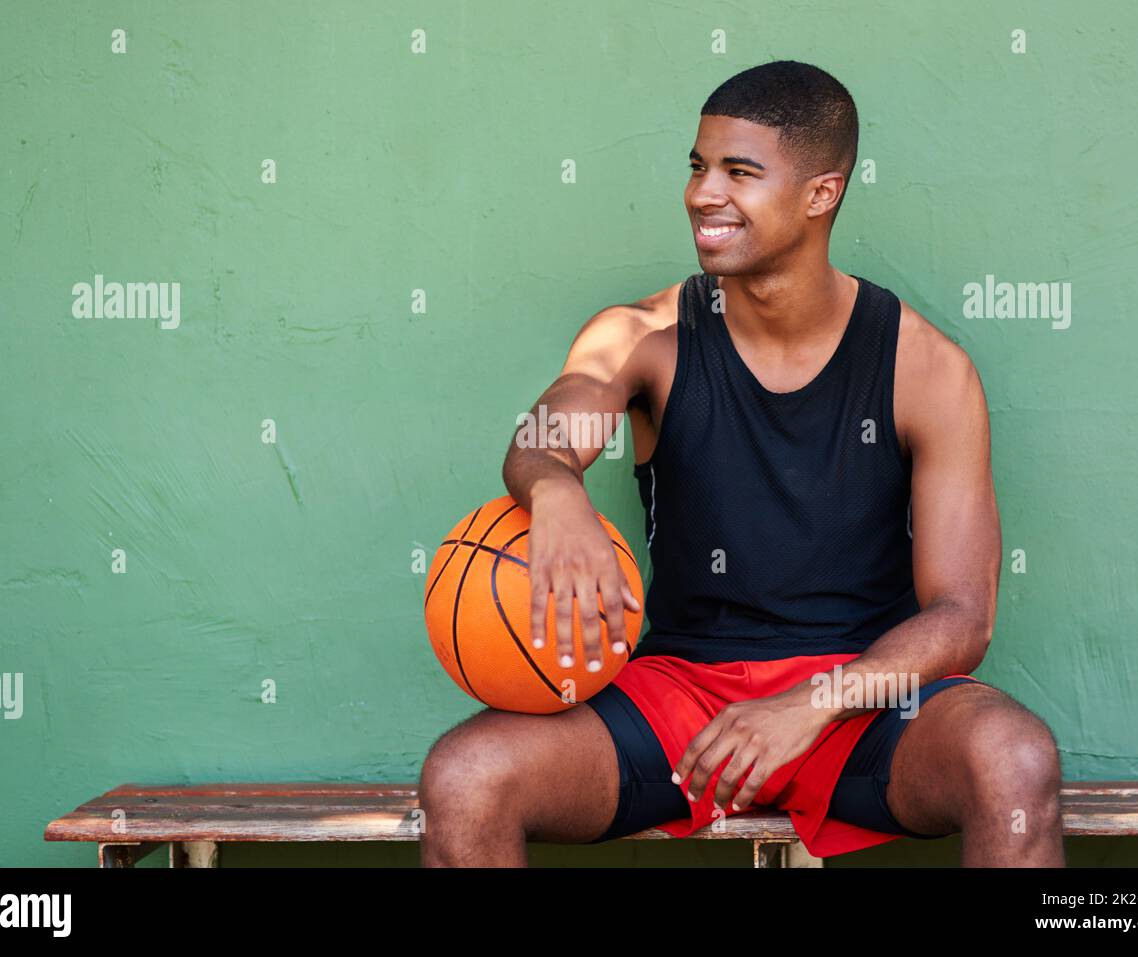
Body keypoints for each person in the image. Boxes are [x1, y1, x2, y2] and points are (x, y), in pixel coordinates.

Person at [419, 60, 1063, 867]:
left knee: (1014, 756)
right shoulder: (645, 334)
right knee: (466, 773)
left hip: (857, 706)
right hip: (681, 697)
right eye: (697, 166)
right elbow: (548, 432)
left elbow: (963, 614)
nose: (701, 193)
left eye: (739, 172)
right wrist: (553, 489)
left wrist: (813, 703)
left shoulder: (926, 369)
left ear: (820, 194)